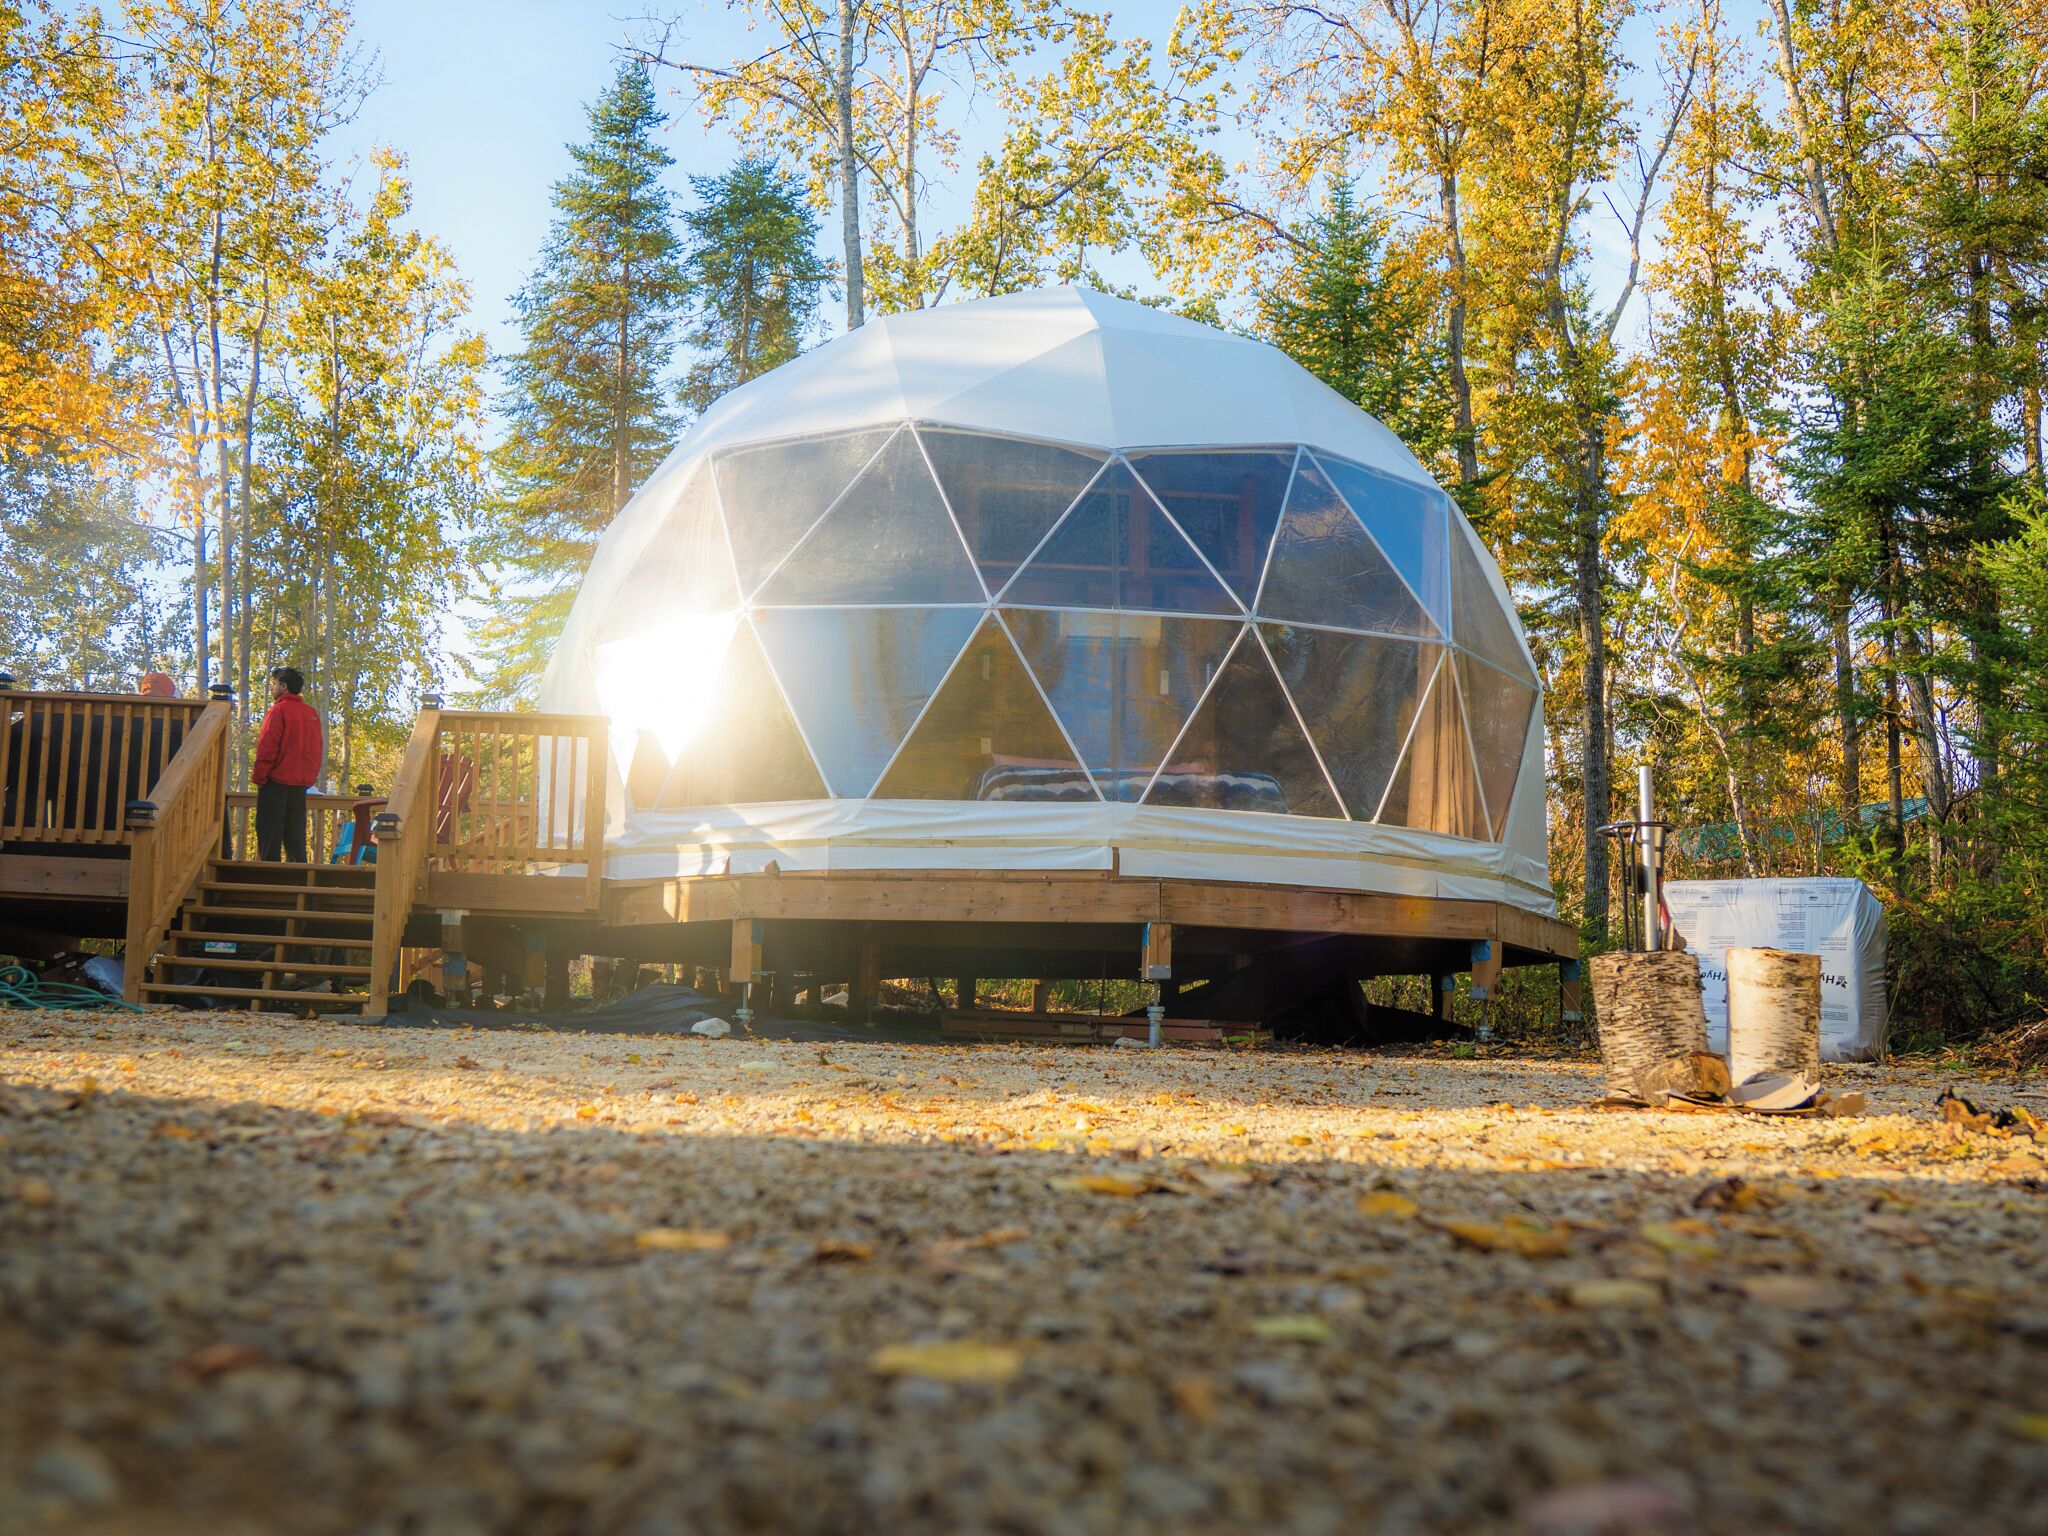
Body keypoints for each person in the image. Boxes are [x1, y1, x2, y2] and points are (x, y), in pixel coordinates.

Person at [252, 666, 323, 863]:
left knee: (269, 832)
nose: (272, 688)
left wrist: (259, 777)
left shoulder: (278, 710)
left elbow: (268, 745)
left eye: (274, 684)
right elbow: (316, 748)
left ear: (284, 686)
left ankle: (270, 881)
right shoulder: (311, 713)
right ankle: (297, 880)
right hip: (300, 784)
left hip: (275, 781)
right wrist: (309, 778)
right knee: (295, 834)